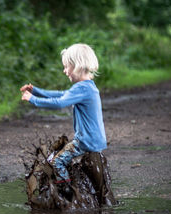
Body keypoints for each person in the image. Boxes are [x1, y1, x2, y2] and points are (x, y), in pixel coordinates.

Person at [20, 43, 106, 184]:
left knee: (56, 162)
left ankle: (66, 190)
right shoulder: (88, 86)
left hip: (86, 141)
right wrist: (36, 91)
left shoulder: (81, 88)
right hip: (95, 140)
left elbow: (59, 102)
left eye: (67, 66)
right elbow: (61, 94)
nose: (64, 71)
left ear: (77, 65)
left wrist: (33, 99)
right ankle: (78, 184)